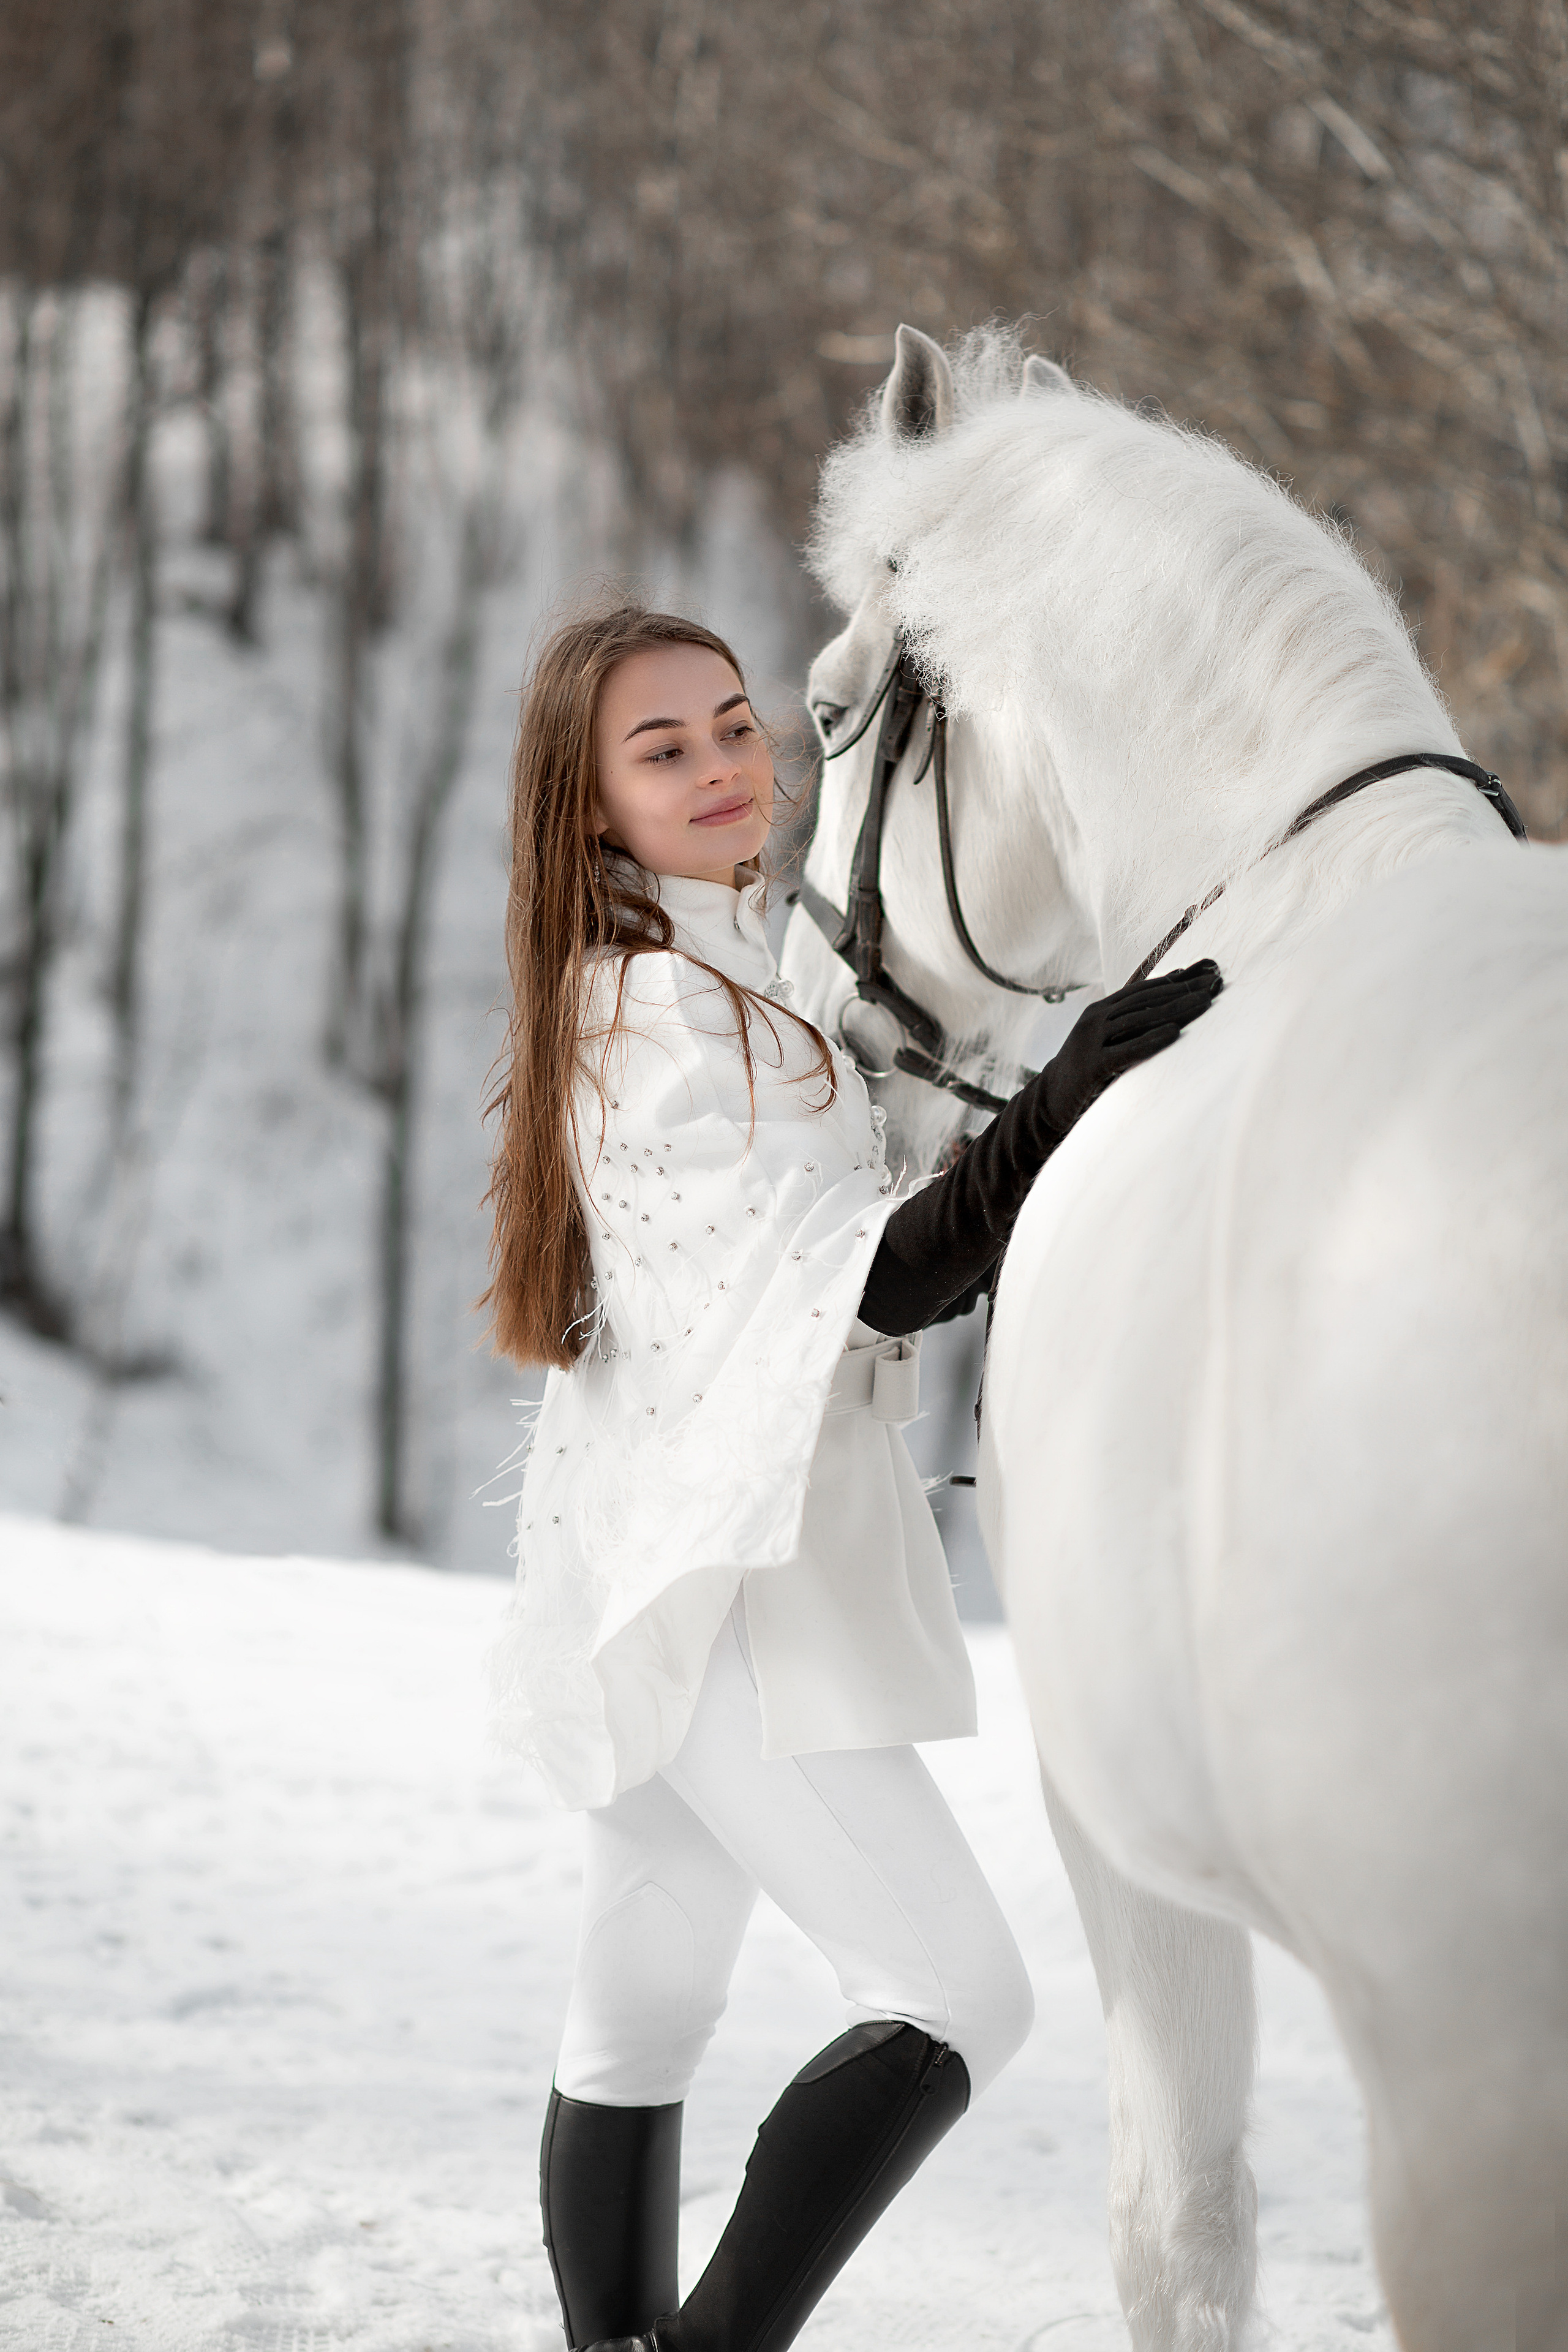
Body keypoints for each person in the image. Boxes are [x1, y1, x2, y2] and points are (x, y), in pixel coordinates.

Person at [483, 602, 1222, 2352]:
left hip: (677, 1551)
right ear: (592, 808)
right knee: (957, 1994)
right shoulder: (658, 1019)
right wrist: (1065, 1103)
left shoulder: (728, 974)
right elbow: (863, 1281)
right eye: (665, 751)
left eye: (735, 725)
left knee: (644, 1986)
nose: (726, 766)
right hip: (715, 1578)